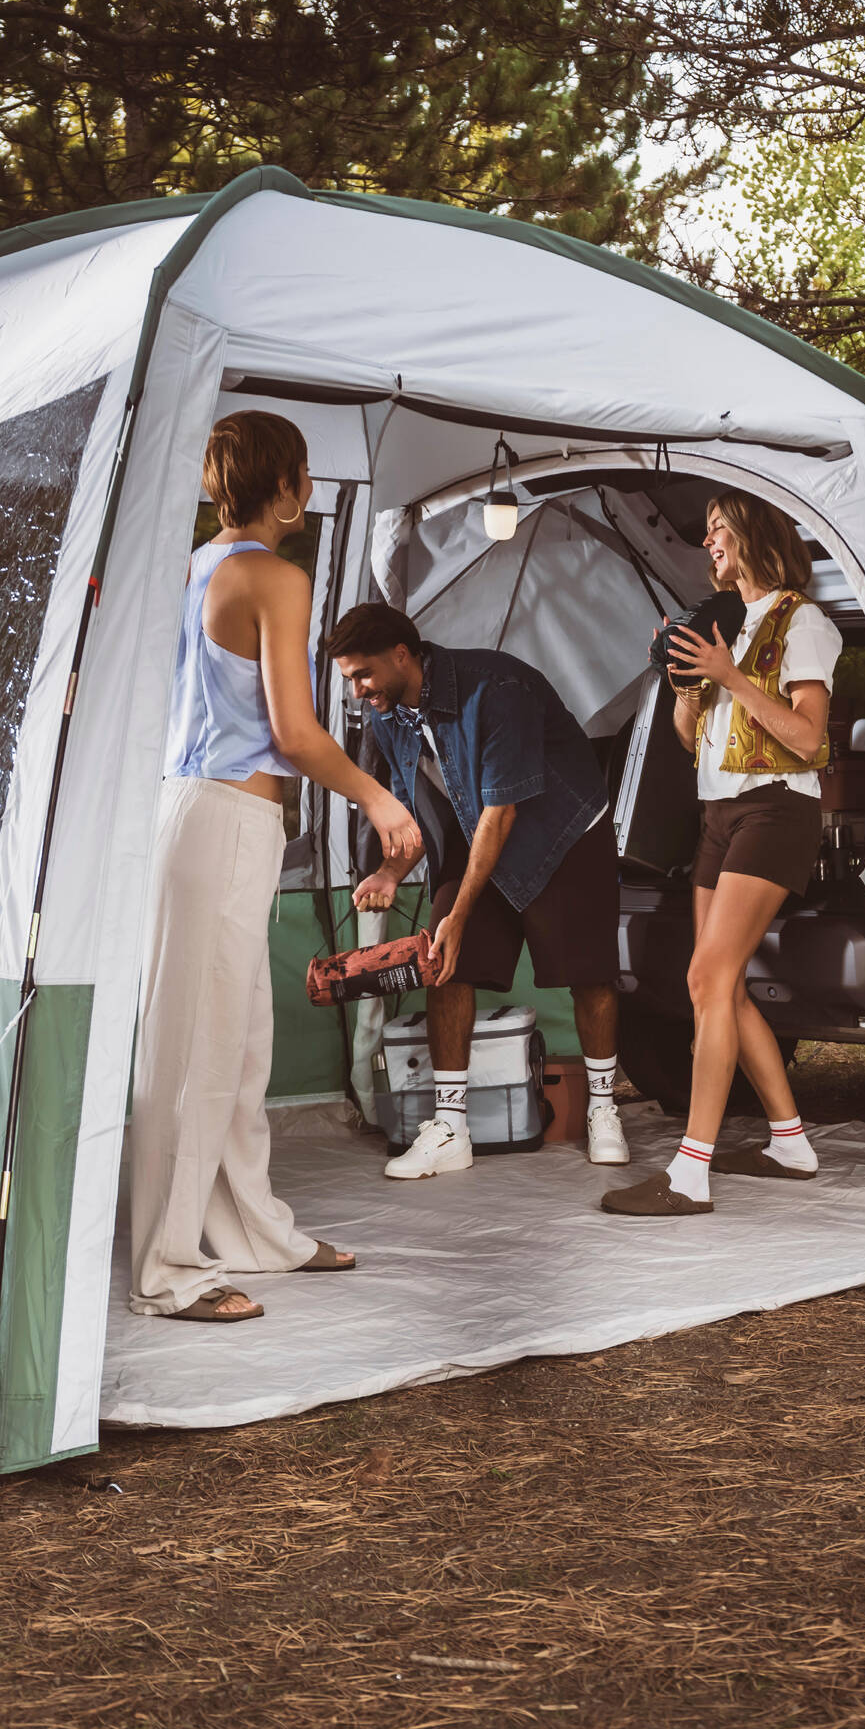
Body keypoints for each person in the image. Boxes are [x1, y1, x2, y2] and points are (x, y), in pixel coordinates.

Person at [130, 410, 424, 1326]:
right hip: (221, 816)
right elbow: (295, 735)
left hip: (193, 815)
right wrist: (379, 800)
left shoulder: (193, 569)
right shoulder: (275, 576)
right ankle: (167, 1270)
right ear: (289, 483)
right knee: (199, 1049)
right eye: (302, 473)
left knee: (240, 1039)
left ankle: (256, 1230)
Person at [327, 601, 630, 1177]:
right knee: (443, 964)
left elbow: (501, 810)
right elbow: (413, 815)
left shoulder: (497, 687)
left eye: (363, 674)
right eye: (350, 680)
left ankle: (604, 1109)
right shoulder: (387, 713)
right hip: (480, 837)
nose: (359, 690)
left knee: (589, 976)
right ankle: (450, 1128)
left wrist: (460, 913)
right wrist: (391, 872)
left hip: (560, 836)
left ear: (401, 655)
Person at [601, 491, 833, 1217]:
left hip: (776, 809)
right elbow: (690, 740)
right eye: (705, 534)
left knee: (708, 975)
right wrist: (687, 692)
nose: (708, 543)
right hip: (720, 813)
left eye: (718, 530)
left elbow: (808, 740)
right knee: (721, 987)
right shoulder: (733, 624)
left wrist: (730, 676)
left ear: (754, 535)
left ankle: (689, 1174)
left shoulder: (806, 622)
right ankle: (790, 1142)